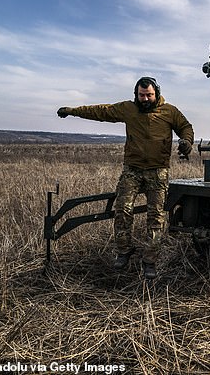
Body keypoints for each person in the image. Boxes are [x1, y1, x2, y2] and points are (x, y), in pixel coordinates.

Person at [57, 76, 194, 279]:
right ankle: (124, 250)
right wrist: (72, 111)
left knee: (155, 218)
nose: (145, 99)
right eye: (141, 95)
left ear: (156, 93)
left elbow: (185, 127)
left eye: (149, 95)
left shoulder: (170, 111)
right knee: (122, 210)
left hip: (158, 171)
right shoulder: (128, 109)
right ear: (136, 95)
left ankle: (150, 261)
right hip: (133, 169)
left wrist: (186, 141)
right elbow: (101, 111)